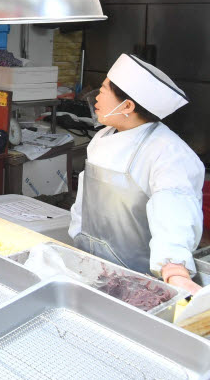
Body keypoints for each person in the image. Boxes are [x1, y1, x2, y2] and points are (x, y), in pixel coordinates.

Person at [69, 54, 203, 293]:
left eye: (103, 90)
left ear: (128, 106)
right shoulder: (102, 137)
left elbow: (174, 208)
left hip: (140, 281)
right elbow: (86, 199)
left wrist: (174, 270)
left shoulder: (168, 153)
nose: (96, 97)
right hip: (93, 267)